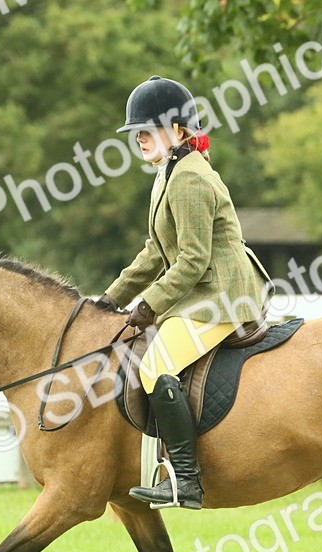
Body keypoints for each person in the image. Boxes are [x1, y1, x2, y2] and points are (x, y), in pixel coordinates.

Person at [95, 75, 271, 510]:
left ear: (177, 130)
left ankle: (186, 480)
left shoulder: (189, 178)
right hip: (201, 293)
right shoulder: (168, 174)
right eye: (136, 131)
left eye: (148, 129)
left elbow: (192, 259)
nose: (139, 138)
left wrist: (149, 304)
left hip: (223, 297)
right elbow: (156, 250)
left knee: (155, 367)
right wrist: (111, 298)